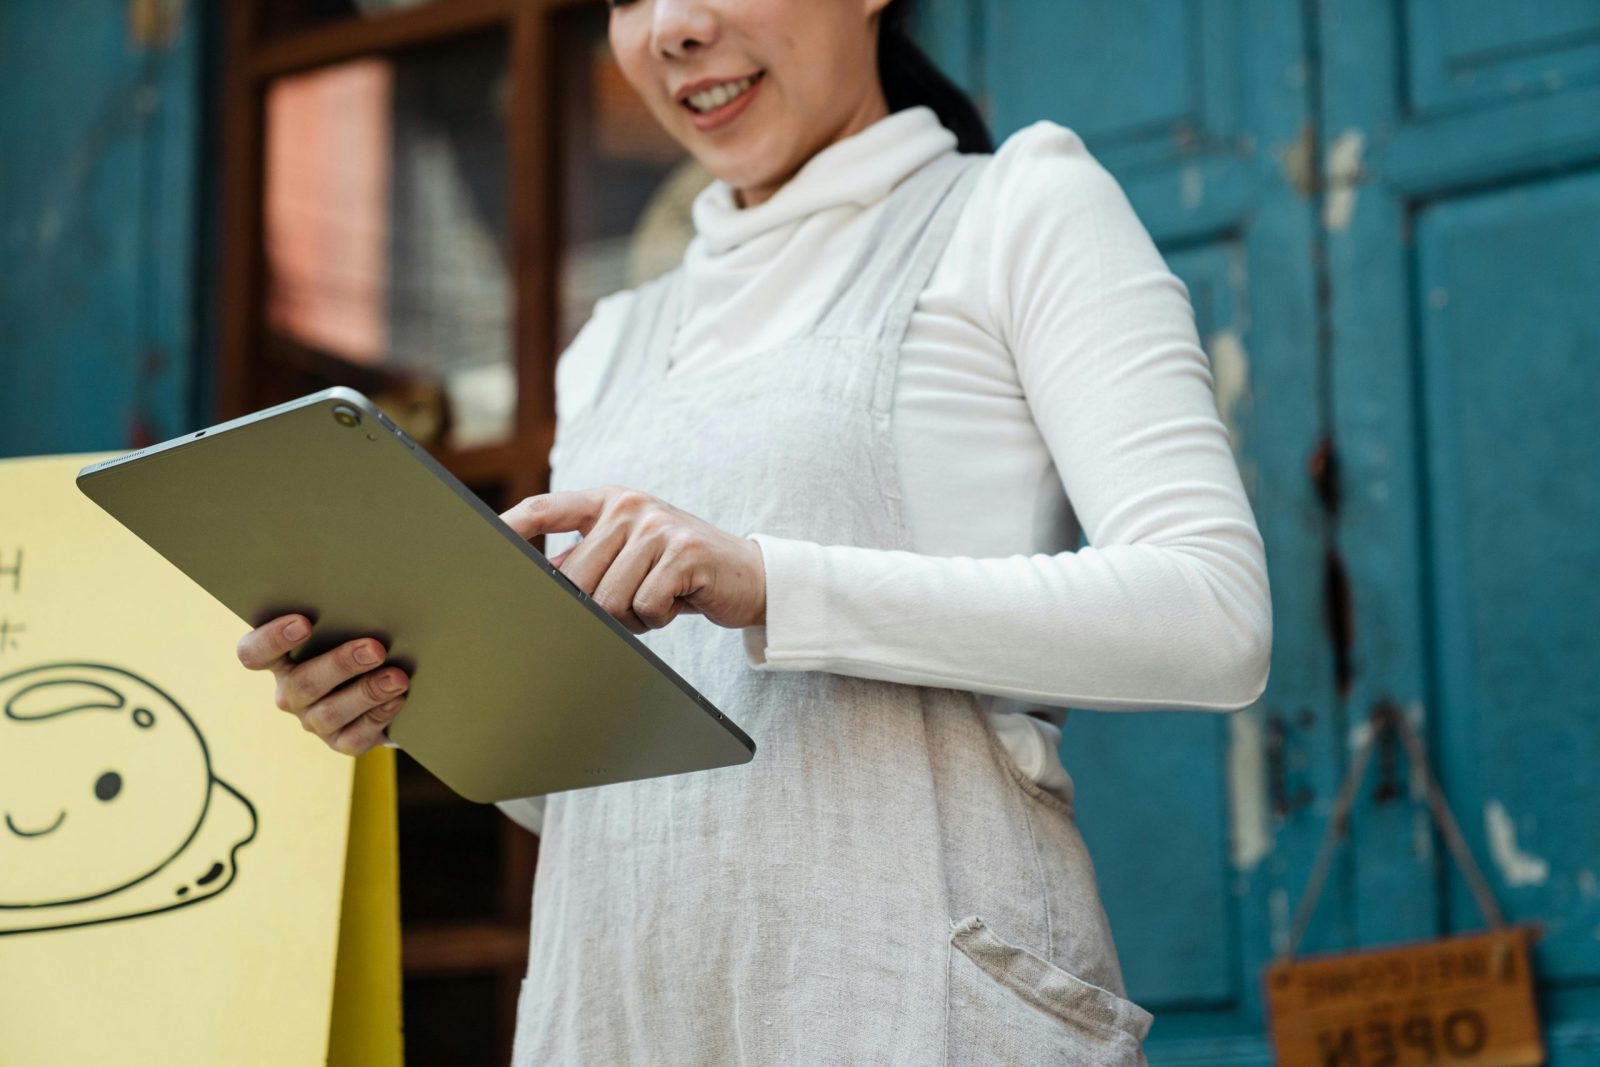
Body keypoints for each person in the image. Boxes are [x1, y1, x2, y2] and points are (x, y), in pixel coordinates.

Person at [235, 0, 1272, 1062]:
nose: (670, 29)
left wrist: (767, 579)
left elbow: (1211, 615)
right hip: (617, 1012)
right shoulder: (612, 341)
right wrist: (417, 694)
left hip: (911, 1006)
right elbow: (601, 800)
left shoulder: (1019, 207)